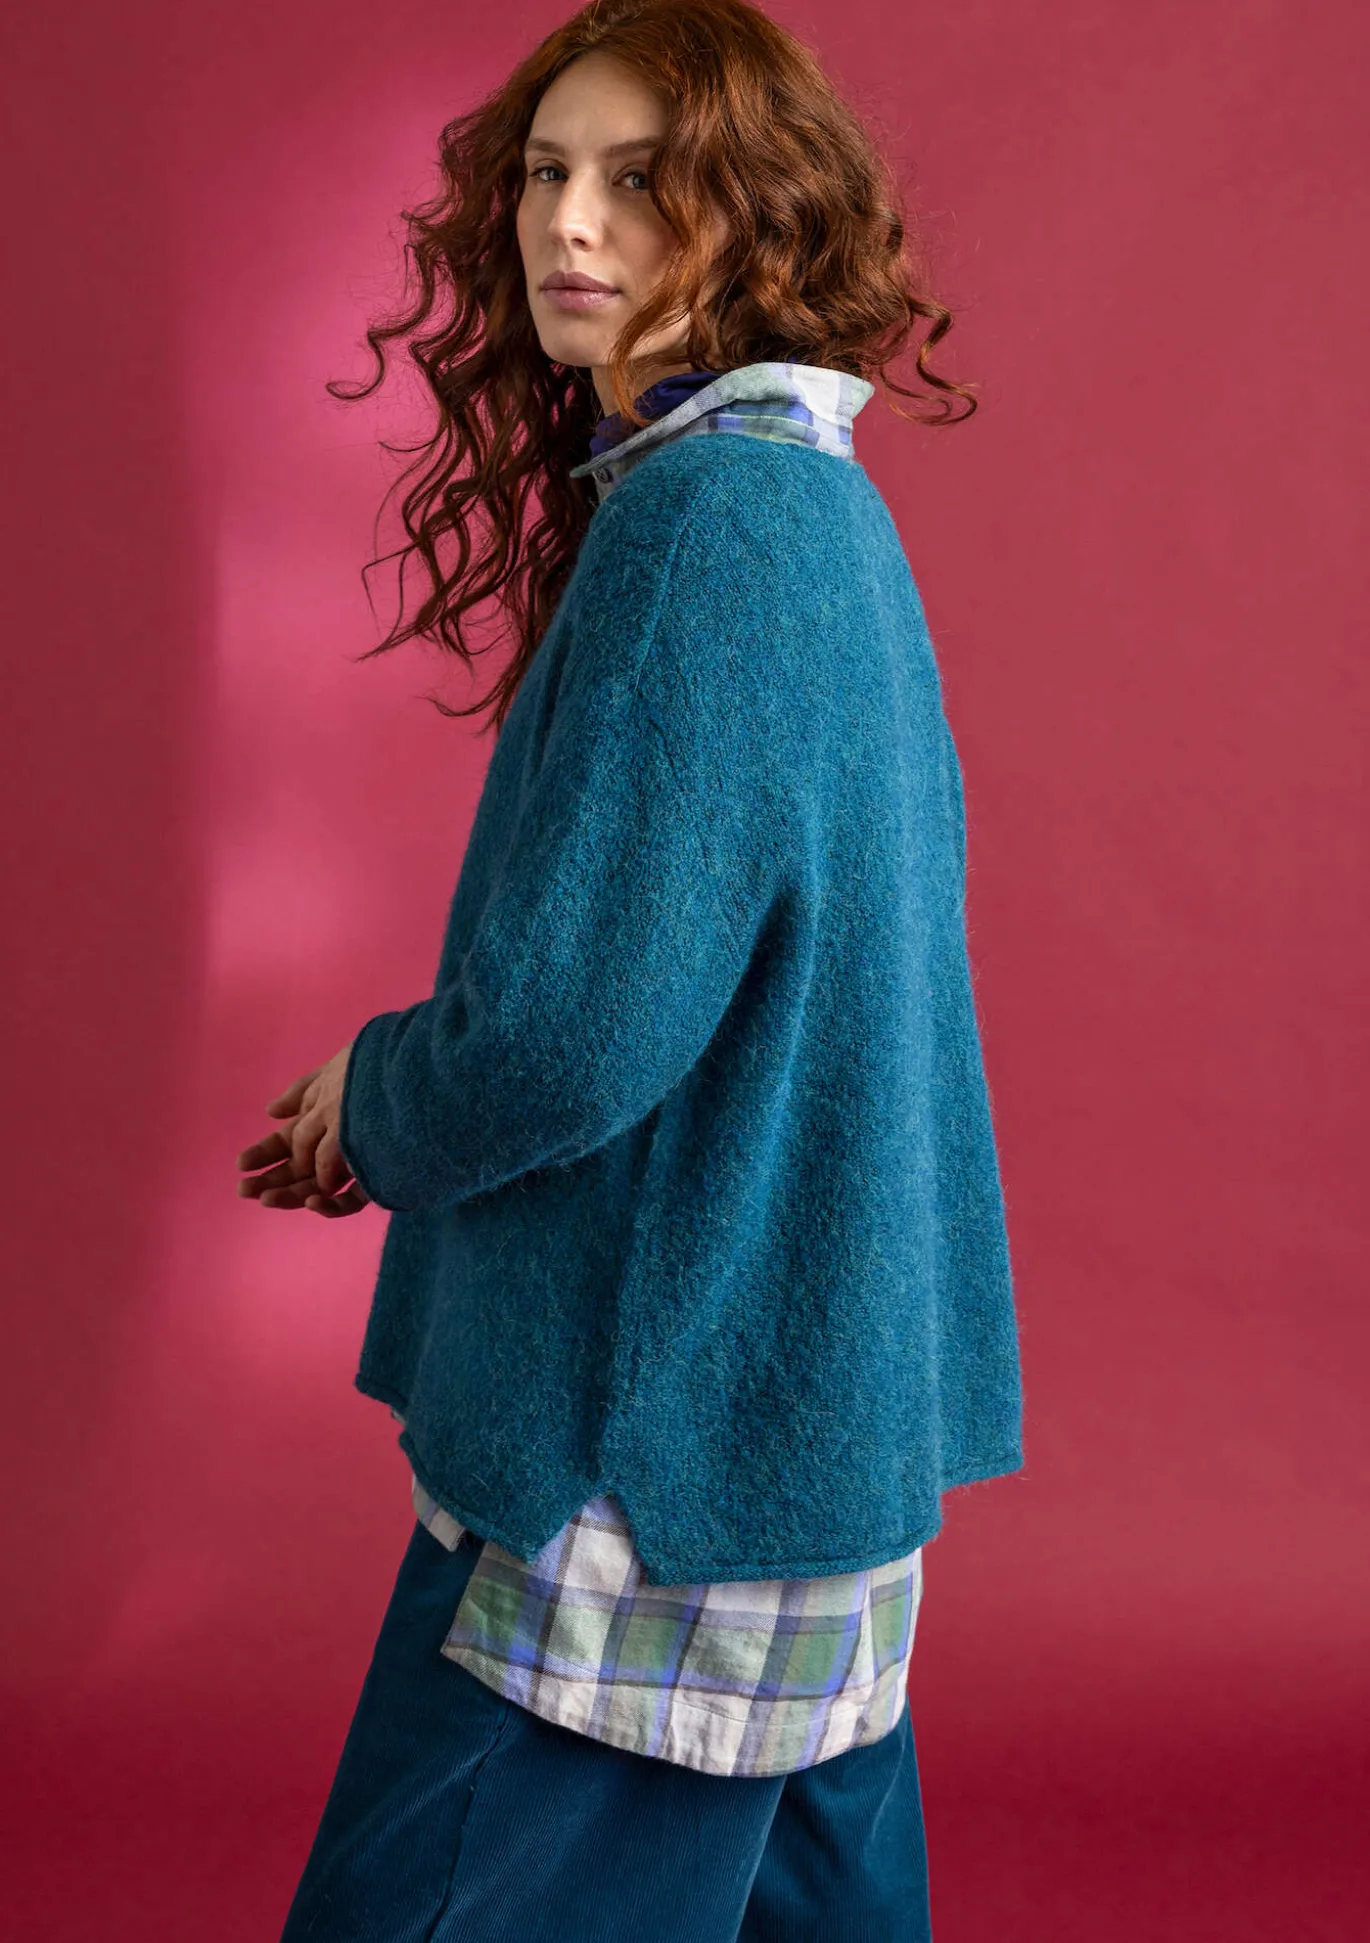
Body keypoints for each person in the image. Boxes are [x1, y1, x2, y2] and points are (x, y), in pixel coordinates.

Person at [235, 1, 1023, 1935]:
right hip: (792, 1439)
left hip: (644, 1461)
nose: (567, 223)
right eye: (544, 171)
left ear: (757, 212)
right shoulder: (807, 505)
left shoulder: (716, 526)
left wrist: (377, 1097)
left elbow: (578, 1028)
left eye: (641, 180)